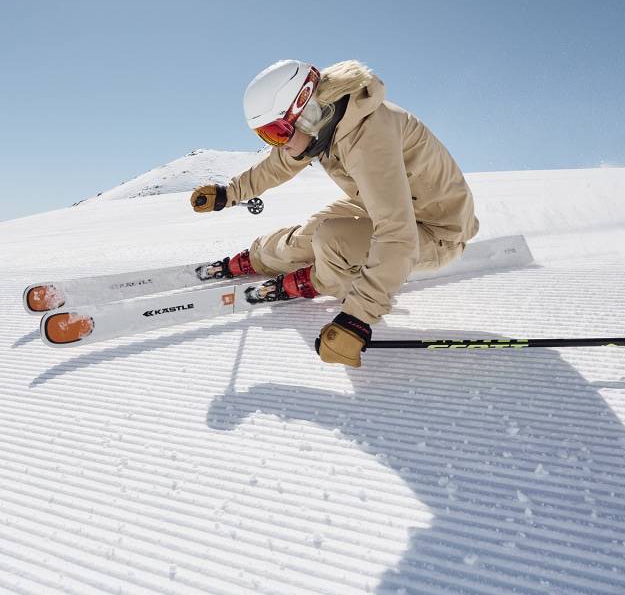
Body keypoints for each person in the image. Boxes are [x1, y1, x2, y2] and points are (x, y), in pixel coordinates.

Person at [191, 60, 479, 368]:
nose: (279, 145)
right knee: (309, 237)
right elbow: (279, 165)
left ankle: (320, 281)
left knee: (332, 241)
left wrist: (357, 319)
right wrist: (229, 193)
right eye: (268, 136)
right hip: (382, 204)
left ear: (307, 112)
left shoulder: (369, 137)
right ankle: (260, 258)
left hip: (435, 230)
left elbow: (397, 234)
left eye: (277, 133)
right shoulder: (326, 124)